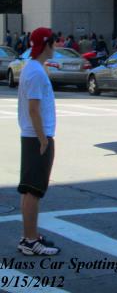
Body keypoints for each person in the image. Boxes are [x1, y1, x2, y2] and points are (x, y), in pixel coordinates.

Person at [16, 27, 60, 256]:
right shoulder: (35, 73)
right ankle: (31, 240)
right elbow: (34, 110)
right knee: (33, 190)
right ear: (47, 45)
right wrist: (43, 140)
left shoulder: (32, 68)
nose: (57, 46)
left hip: (32, 137)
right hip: (36, 138)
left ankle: (29, 236)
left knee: (29, 189)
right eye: (54, 43)